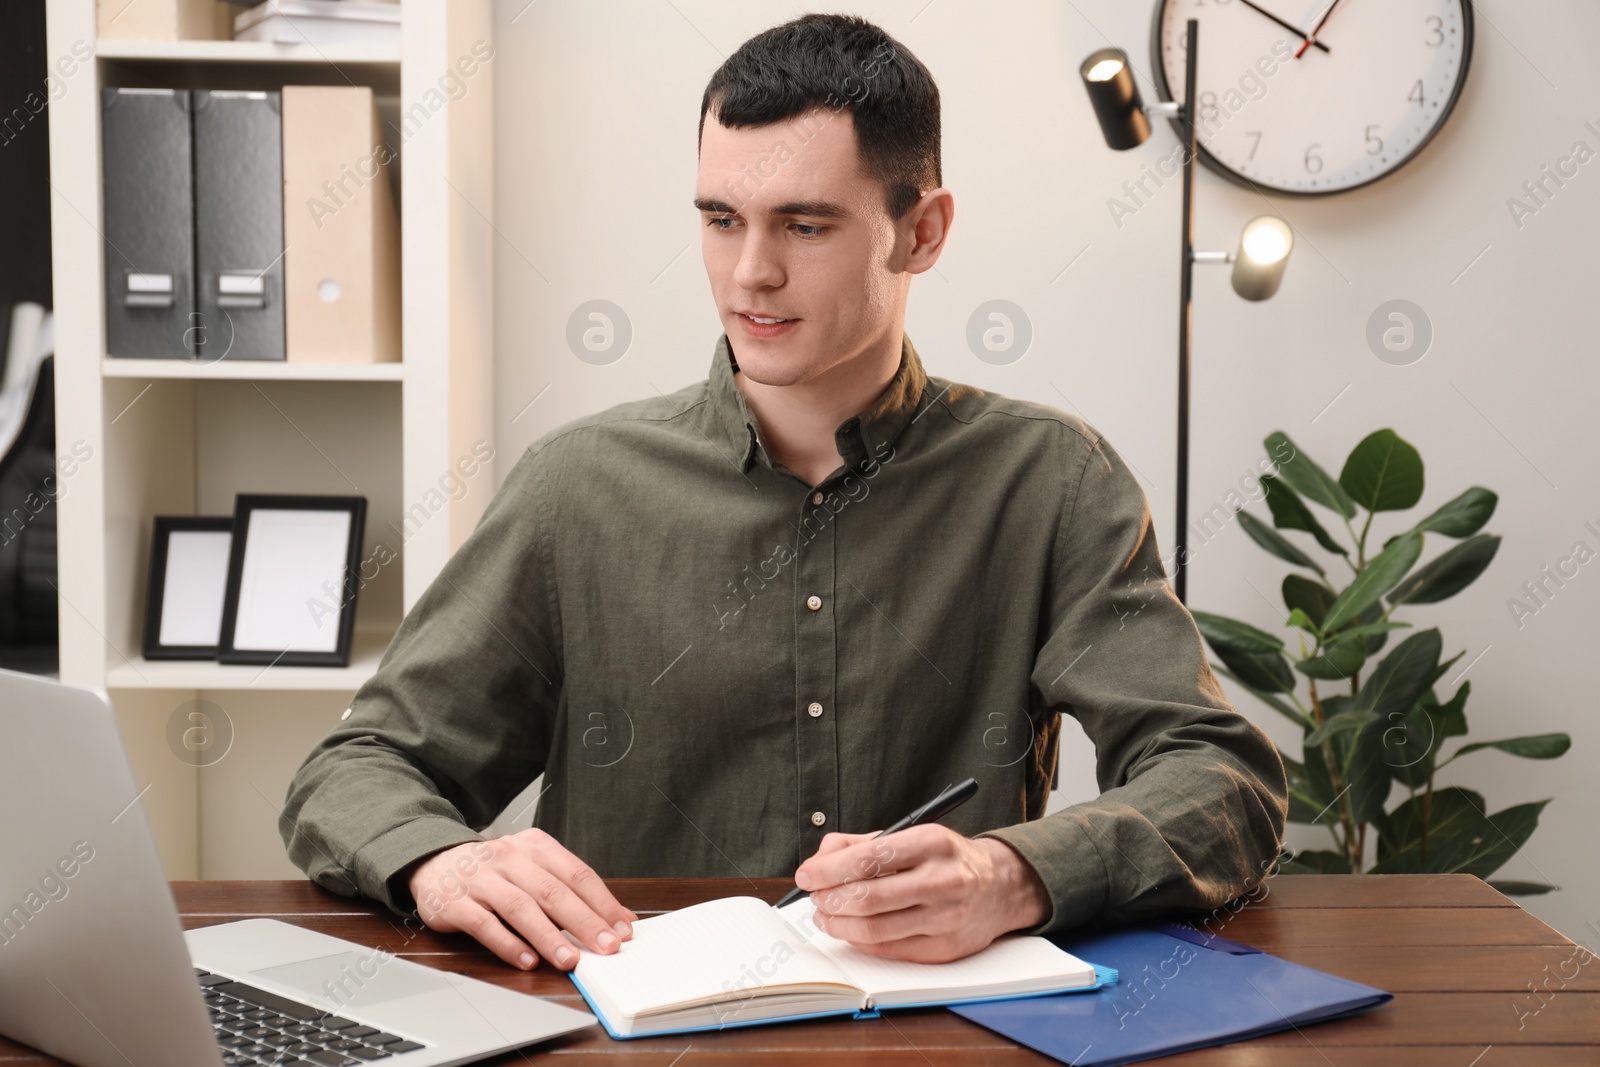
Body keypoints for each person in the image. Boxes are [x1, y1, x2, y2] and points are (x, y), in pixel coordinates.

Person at [281, 12, 1286, 974]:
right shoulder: (576, 486)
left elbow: (1221, 781)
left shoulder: (1053, 481)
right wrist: (441, 859)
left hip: (943, 1041)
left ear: (922, 232)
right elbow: (356, 768)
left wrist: (1013, 872)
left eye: (803, 225)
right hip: (629, 1036)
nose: (748, 273)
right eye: (721, 220)